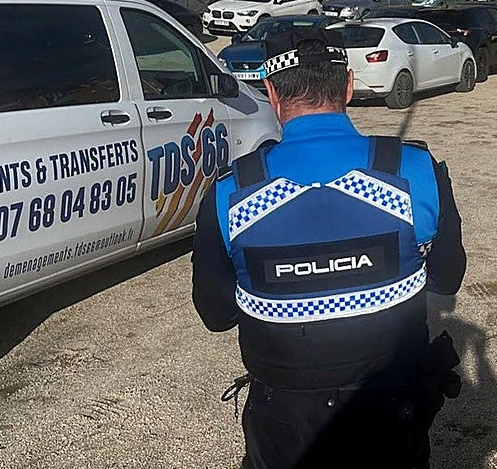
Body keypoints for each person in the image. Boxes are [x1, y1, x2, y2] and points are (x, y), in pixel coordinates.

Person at [192, 27, 467, 469]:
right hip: (393, 410)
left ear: (271, 93)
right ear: (349, 85)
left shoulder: (231, 194)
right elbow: (446, 277)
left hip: (283, 422)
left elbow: (216, 316)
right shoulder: (415, 170)